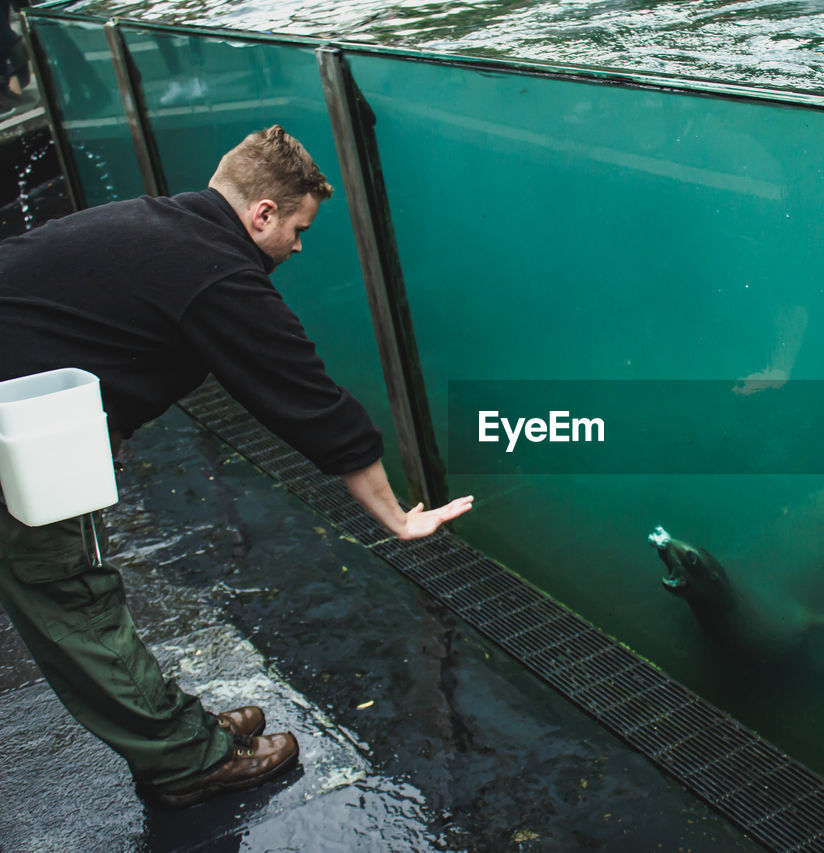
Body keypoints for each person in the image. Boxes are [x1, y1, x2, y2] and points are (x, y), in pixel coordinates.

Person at [0, 125, 473, 808]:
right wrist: (397, 517)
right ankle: (188, 758)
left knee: (71, 587)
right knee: (71, 594)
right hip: (16, 431)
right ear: (262, 214)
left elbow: (76, 322)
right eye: (298, 229)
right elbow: (307, 397)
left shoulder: (160, 224)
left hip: (23, 409)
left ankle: (174, 729)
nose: (299, 246)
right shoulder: (217, 269)